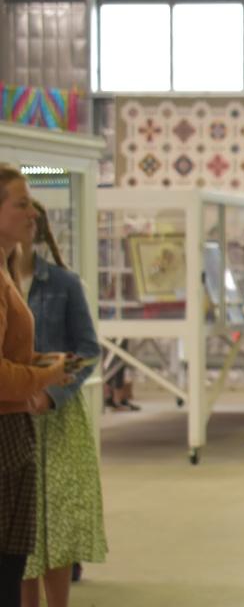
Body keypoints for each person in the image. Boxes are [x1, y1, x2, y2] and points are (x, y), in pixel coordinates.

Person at [12, 202, 107, 607]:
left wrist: (50, 393)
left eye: (33, 218)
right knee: (21, 530)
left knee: (60, 525)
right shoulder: (4, 282)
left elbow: (87, 350)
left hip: (58, 419)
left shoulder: (64, 284)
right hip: (13, 418)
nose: (27, 224)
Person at [0, 167, 74, 605]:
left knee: (12, 561)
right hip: (6, 434)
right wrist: (45, 375)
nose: (33, 213)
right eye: (21, 203)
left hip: (15, 427)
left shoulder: (8, 269)